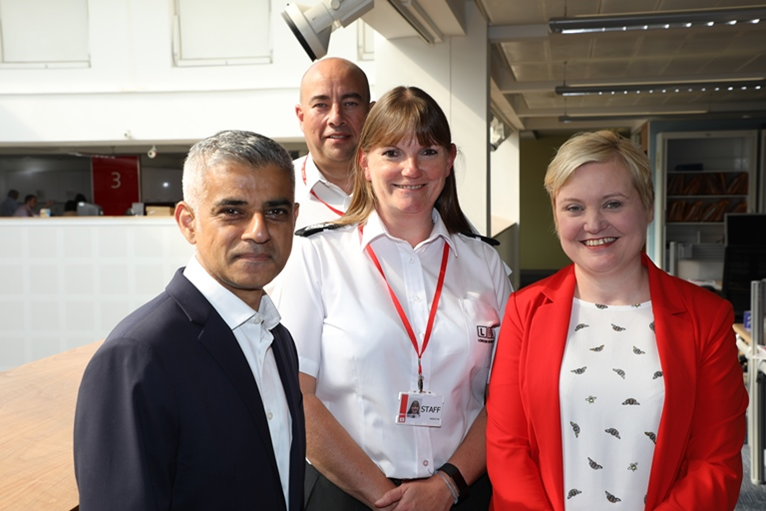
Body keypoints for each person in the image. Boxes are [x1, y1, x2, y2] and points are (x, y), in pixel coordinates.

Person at [272, 86, 513, 510]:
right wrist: (388, 498)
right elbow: (295, 395)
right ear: (365, 162)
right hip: (345, 494)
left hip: (463, 493)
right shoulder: (317, 255)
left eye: (428, 151)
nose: (411, 168)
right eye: (392, 153)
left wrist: (447, 486)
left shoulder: (485, 264)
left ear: (449, 160)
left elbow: (508, 395)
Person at [486, 130, 748, 511]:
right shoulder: (525, 311)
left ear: (648, 206)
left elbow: (715, 463)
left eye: (612, 204)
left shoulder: (705, 318)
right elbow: (508, 448)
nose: (593, 224)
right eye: (573, 208)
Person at [74, 130, 306, 511]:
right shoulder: (138, 355)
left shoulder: (277, 339)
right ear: (188, 222)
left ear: (294, 219)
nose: (259, 231)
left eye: (276, 211)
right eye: (233, 211)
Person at [293, 57, 373, 230]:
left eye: (350, 104)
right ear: (301, 117)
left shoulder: (401, 186)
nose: (336, 118)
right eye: (321, 105)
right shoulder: (278, 190)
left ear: (370, 113)